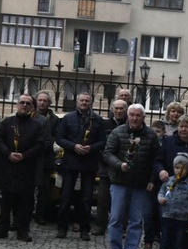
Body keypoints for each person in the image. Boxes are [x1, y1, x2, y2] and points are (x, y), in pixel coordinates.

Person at [103, 104, 160, 249]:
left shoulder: (151, 135)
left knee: (136, 220)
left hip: (140, 184)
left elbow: (156, 159)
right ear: (128, 116)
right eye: (132, 115)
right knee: (115, 218)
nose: (135, 118)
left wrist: (151, 179)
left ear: (143, 117)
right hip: (119, 181)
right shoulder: (117, 132)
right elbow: (107, 153)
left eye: (138, 115)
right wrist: (119, 164)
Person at [0, 94, 45, 242]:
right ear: (17, 105)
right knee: (6, 199)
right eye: (22, 103)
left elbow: (40, 145)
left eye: (28, 104)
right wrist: (8, 153)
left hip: (26, 168)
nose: (24, 106)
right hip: (8, 166)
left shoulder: (37, 125)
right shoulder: (7, 122)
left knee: (25, 201)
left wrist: (25, 155)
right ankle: (3, 228)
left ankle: (22, 230)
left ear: (32, 107)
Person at [56, 92, 105, 241]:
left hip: (89, 163)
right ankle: (62, 228)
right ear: (77, 102)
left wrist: (91, 147)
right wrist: (73, 146)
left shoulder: (97, 120)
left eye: (87, 101)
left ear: (91, 103)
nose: (84, 103)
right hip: (70, 162)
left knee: (86, 198)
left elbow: (103, 141)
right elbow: (59, 138)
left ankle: (85, 229)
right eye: (81, 100)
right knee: (65, 197)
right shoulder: (68, 118)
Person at [92, 99, 127, 236]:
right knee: (102, 199)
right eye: (116, 108)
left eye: (121, 108)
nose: (118, 111)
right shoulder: (104, 124)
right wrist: (107, 160)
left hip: (123, 168)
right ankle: (100, 226)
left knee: (122, 200)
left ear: (125, 110)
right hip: (105, 167)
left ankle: (122, 228)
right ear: (112, 109)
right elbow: (100, 144)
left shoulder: (129, 125)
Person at [33, 90, 60, 224]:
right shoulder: (30, 115)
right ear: (36, 101)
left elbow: (56, 136)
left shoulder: (54, 119)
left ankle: (40, 214)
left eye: (45, 101)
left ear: (49, 103)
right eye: (40, 100)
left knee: (44, 189)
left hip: (47, 158)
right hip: (31, 157)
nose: (42, 102)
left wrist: (46, 144)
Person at [143, 119, 167, 249]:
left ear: (163, 132)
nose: (155, 134)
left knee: (162, 214)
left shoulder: (166, 145)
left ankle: (164, 240)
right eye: (153, 131)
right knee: (148, 213)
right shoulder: (148, 143)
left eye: (158, 132)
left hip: (162, 183)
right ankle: (148, 240)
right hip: (148, 183)